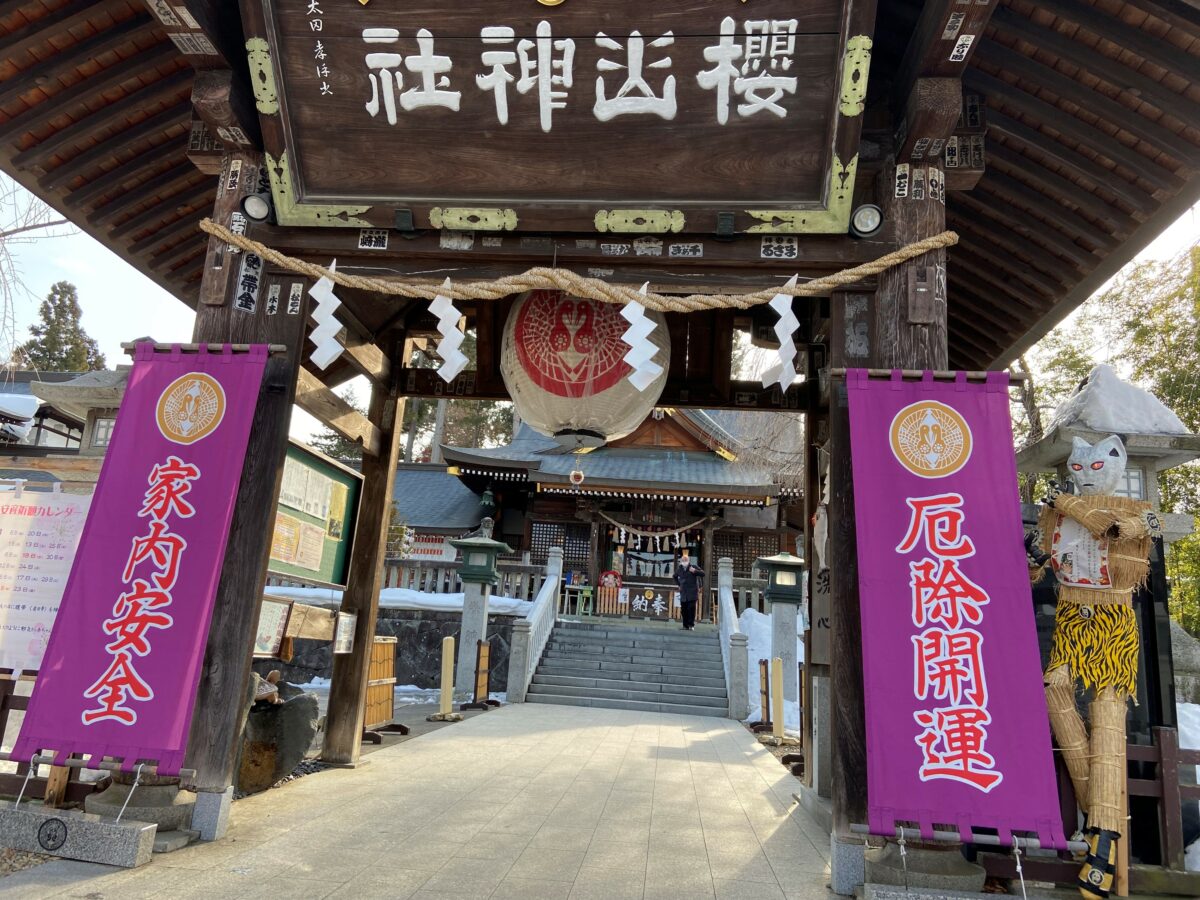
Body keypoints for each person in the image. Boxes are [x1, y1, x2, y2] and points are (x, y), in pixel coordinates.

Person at [673, 549, 705, 631]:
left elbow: (703, 573)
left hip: (692, 592)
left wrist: (695, 571)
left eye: (686, 560)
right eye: (683, 560)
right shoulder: (679, 569)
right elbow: (674, 576)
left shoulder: (693, 567)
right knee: (684, 610)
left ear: (689, 560)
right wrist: (679, 584)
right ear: (681, 561)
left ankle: (691, 625)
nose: (684, 561)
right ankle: (685, 625)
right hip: (683, 592)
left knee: (691, 608)